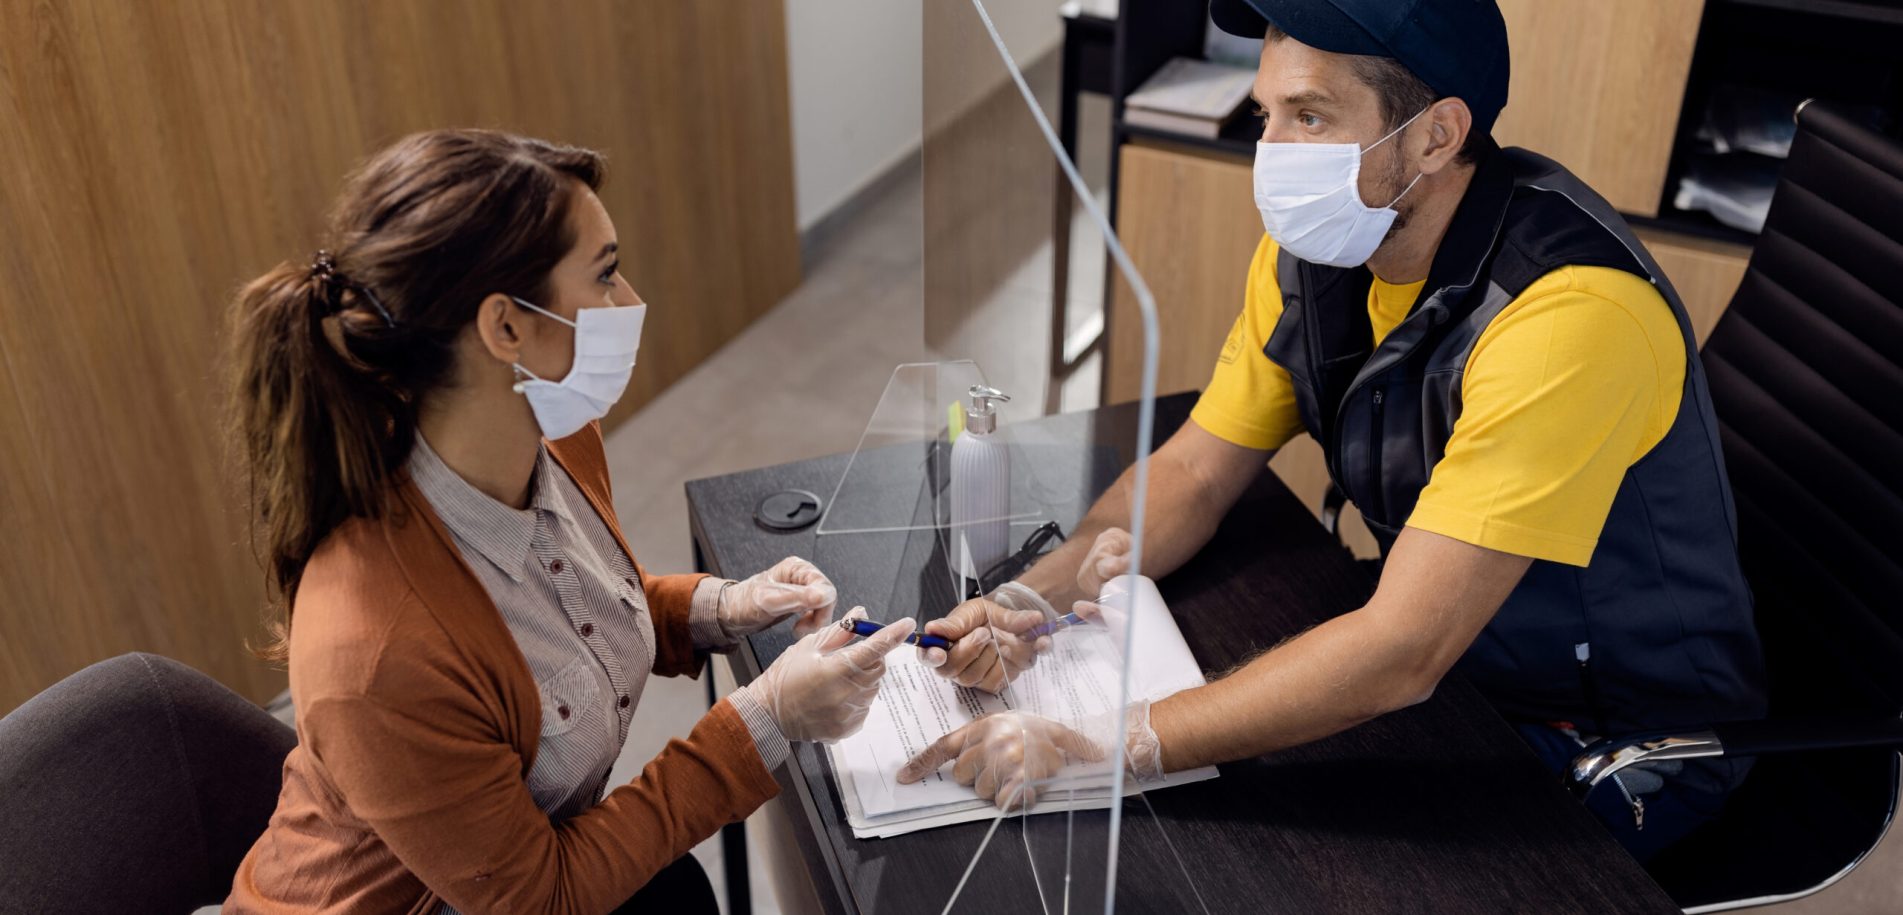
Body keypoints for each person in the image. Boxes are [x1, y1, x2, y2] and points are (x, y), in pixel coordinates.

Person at [902, 0, 1766, 861]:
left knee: (1211, 857)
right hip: (1454, 661)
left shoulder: (1567, 316)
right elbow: (1196, 473)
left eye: (1309, 116)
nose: (1271, 154)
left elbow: (1400, 650)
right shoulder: (1324, 245)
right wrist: (1026, 601)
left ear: (1435, 137)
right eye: (1265, 115)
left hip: (1603, 735)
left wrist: (1102, 742)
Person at [222, 129, 915, 914]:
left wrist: (720, 606)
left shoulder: (551, 440)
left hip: (510, 873)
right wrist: (766, 720)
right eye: (607, 274)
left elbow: (564, 620)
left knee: (676, 890)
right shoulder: (377, 652)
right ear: (505, 328)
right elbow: (542, 898)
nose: (632, 301)